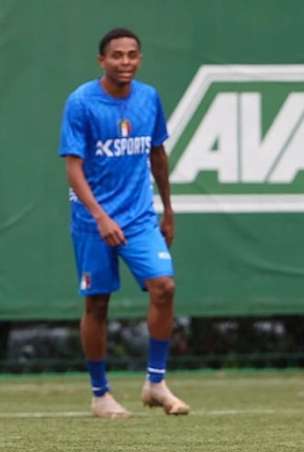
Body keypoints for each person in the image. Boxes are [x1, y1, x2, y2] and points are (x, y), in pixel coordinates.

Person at [59, 28, 189, 418]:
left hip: (138, 218)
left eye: (132, 54)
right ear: (102, 60)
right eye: (117, 55)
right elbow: (73, 168)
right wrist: (99, 216)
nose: (126, 62)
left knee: (163, 286)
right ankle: (100, 395)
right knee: (97, 304)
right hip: (92, 219)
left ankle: (155, 383)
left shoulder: (148, 98)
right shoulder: (81, 102)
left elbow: (157, 155)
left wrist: (167, 209)